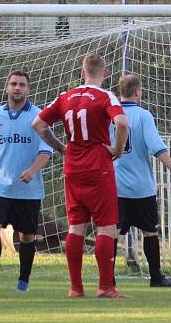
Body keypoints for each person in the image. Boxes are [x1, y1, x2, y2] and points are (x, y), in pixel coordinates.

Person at [32, 52, 129, 299]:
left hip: (73, 166)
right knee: (106, 228)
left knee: (76, 227)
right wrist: (117, 149)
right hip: (98, 165)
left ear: (82, 71)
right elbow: (121, 123)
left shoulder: (66, 96)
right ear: (105, 73)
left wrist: (60, 147)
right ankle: (106, 287)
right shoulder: (105, 95)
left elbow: (38, 124)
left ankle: (76, 288)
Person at [0, 70, 53, 293]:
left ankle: (23, 281)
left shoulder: (38, 117)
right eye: (14, 84)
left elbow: (46, 150)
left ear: (28, 89)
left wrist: (33, 170)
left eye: (22, 85)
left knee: (27, 235)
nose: (18, 88)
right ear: (7, 87)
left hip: (28, 190)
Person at [111, 74, 171, 288]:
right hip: (142, 188)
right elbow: (157, 147)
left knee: (111, 233)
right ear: (138, 91)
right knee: (150, 231)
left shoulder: (109, 115)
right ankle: (155, 277)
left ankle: (108, 278)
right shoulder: (143, 116)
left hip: (115, 187)